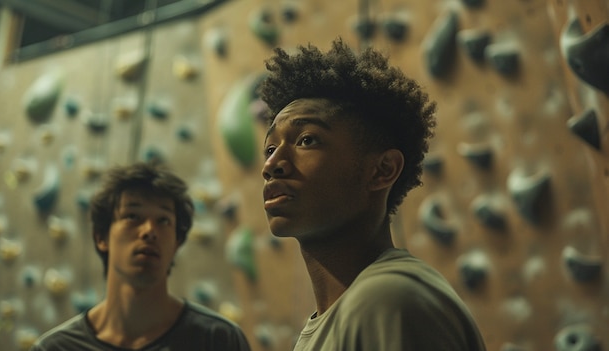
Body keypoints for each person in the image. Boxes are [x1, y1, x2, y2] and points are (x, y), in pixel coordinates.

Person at [258, 38, 487, 351]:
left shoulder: (387, 300)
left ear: (382, 170)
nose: (272, 165)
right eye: (270, 149)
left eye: (307, 140)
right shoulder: (339, 315)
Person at [31, 162, 251, 351]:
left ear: (176, 242)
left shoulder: (217, 340)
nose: (149, 230)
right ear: (101, 237)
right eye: (132, 216)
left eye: (163, 220)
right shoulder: (56, 348)